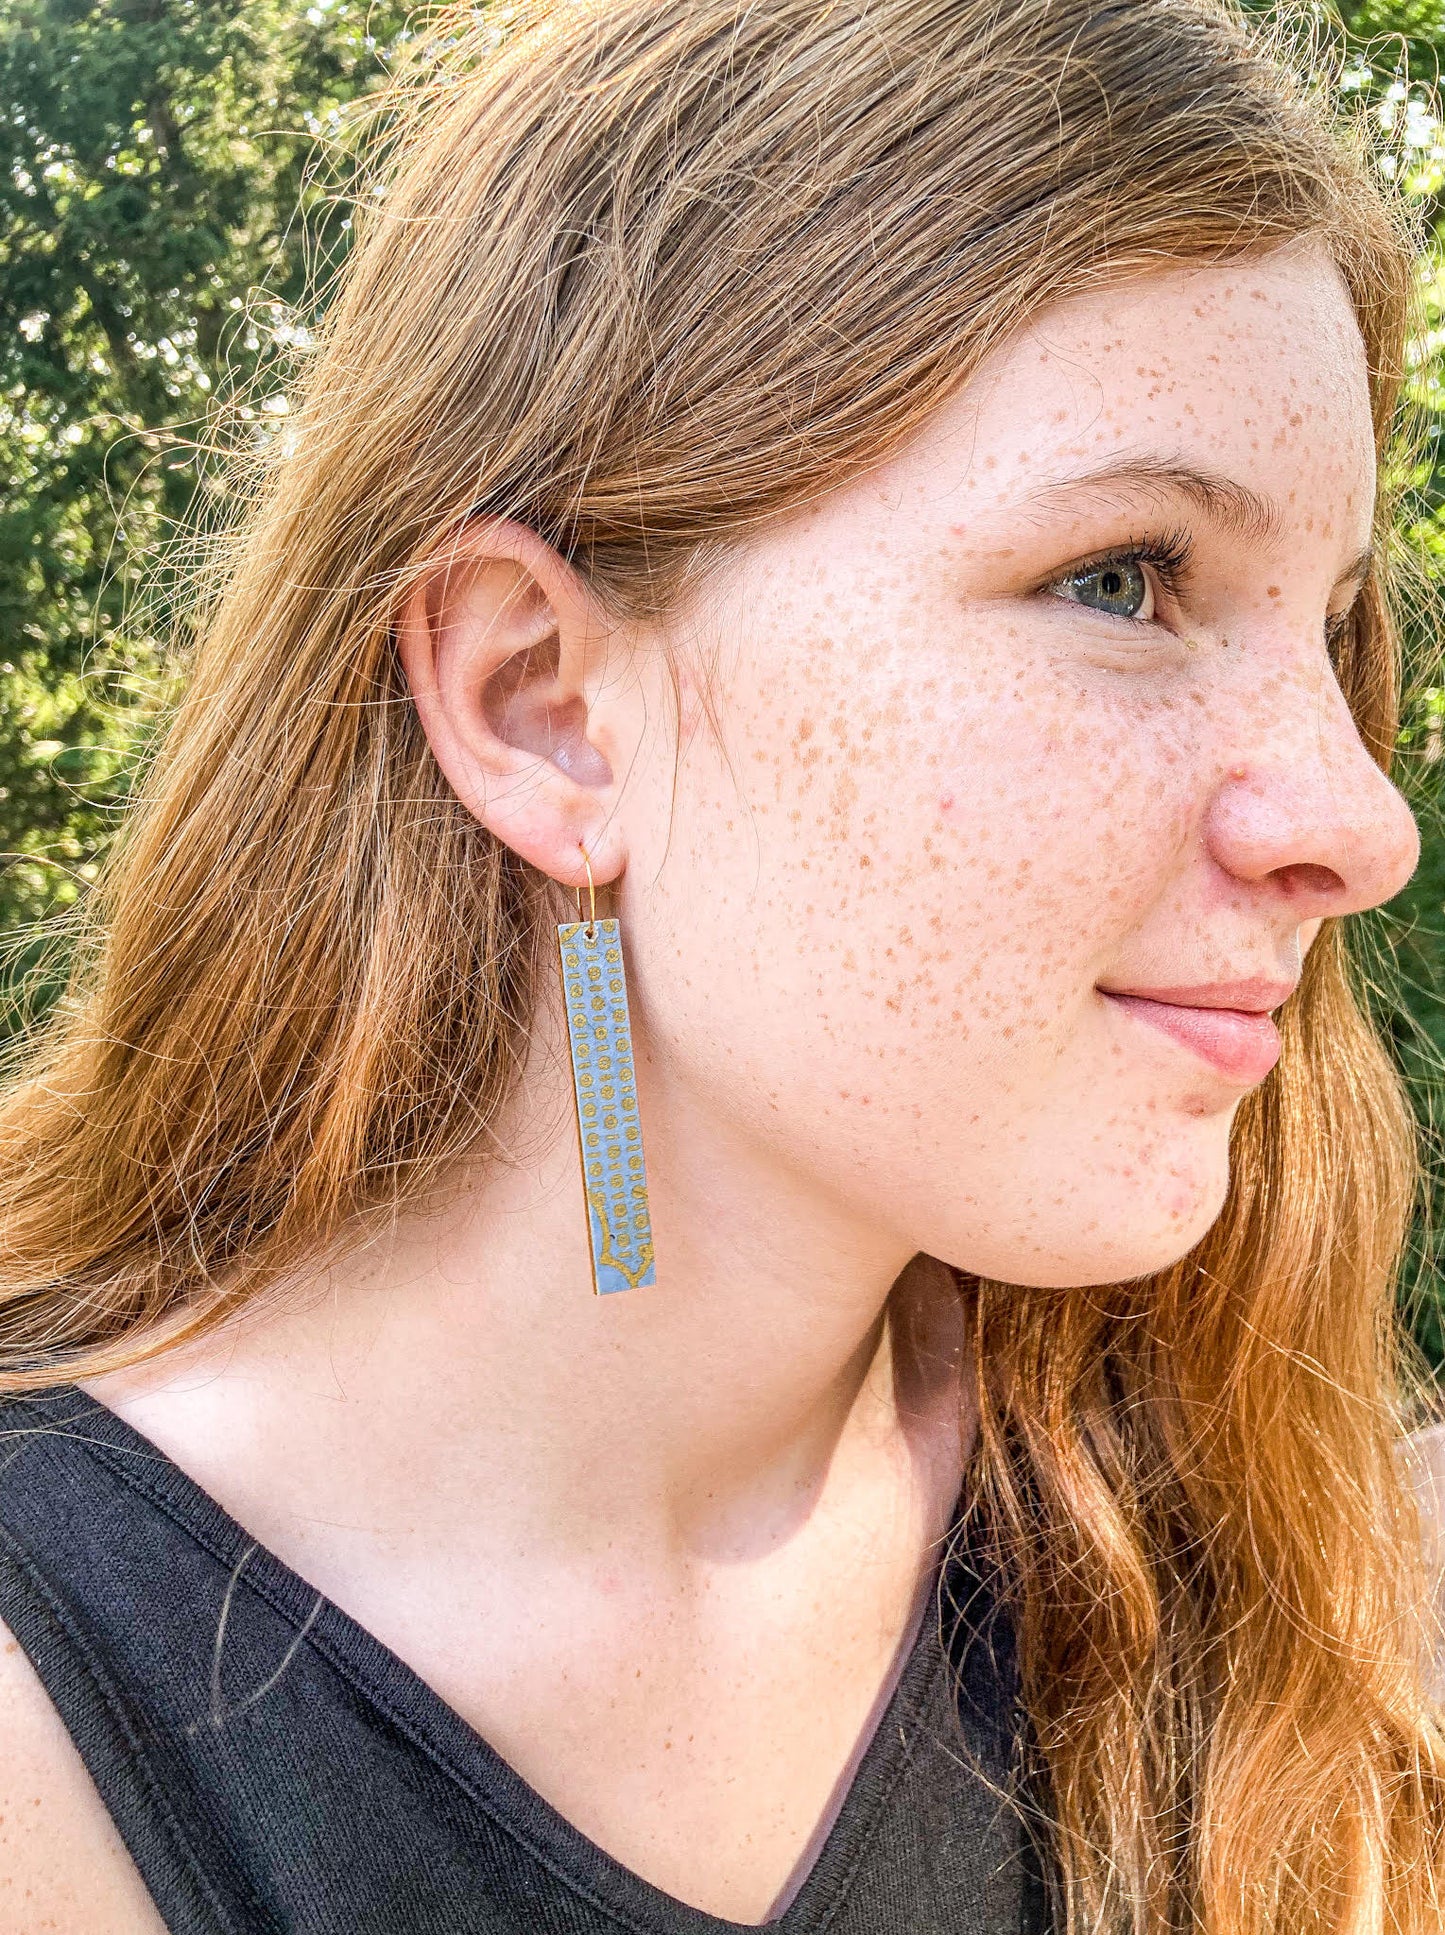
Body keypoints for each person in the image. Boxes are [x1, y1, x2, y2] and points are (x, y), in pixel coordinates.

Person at [0, 0, 1442, 1927]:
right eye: (1124, 580)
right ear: (544, 710)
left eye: (1330, 629)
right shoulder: (51, 1737)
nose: (1357, 822)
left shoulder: (1278, 1595)